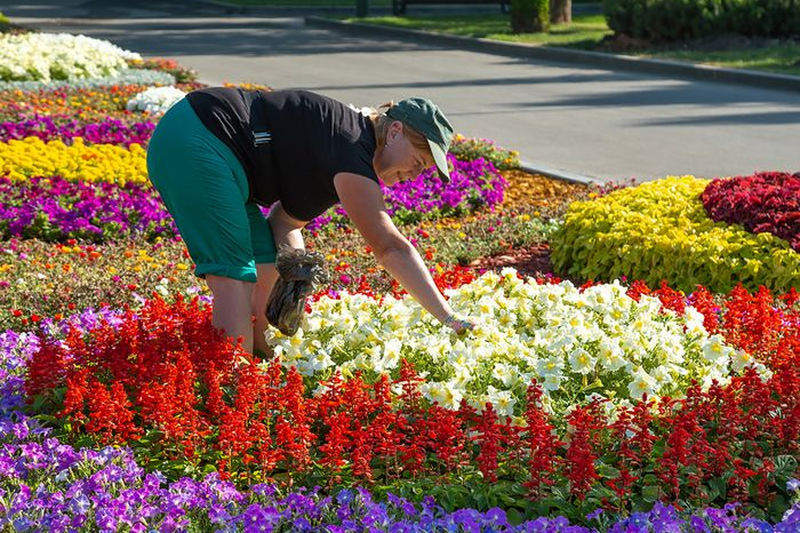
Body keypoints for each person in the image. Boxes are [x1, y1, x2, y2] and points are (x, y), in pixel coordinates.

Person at [146, 87, 475, 355]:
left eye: (424, 169)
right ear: (395, 132)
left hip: (213, 150)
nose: (415, 174)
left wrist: (298, 277)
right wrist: (448, 317)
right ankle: (233, 389)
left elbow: (285, 224)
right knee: (234, 275)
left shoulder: (341, 156)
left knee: (264, 260)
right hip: (196, 139)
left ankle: (260, 359)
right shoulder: (349, 150)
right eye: (418, 160)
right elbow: (390, 248)